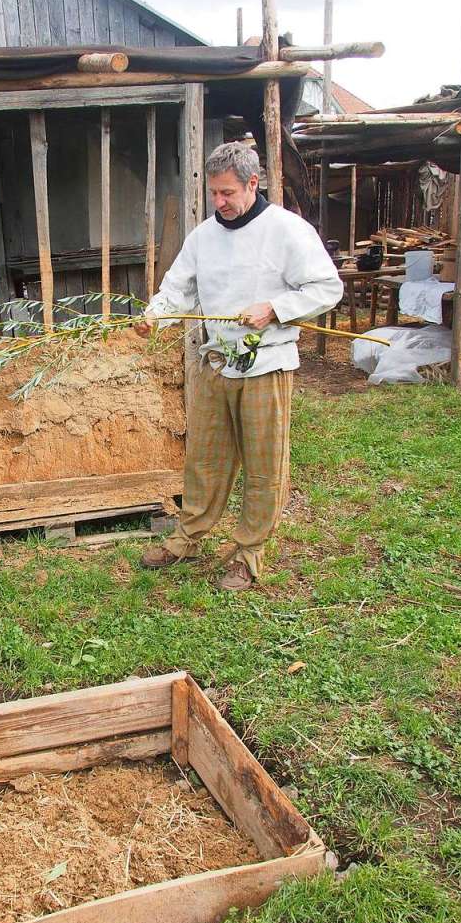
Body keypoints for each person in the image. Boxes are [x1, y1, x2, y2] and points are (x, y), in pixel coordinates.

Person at [135, 142, 342, 591]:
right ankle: (189, 537)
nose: (219, 202)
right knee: (204, 457)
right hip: (216, 362)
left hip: (267, 363)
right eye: (213, 193)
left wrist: (275, 307)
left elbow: (327, 288)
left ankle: (248, 553)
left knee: (263, 463)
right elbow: (179, 287)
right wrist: (156, 314)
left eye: (227, 192)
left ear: (253, 183)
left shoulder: (288, 231)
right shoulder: (203, 237)